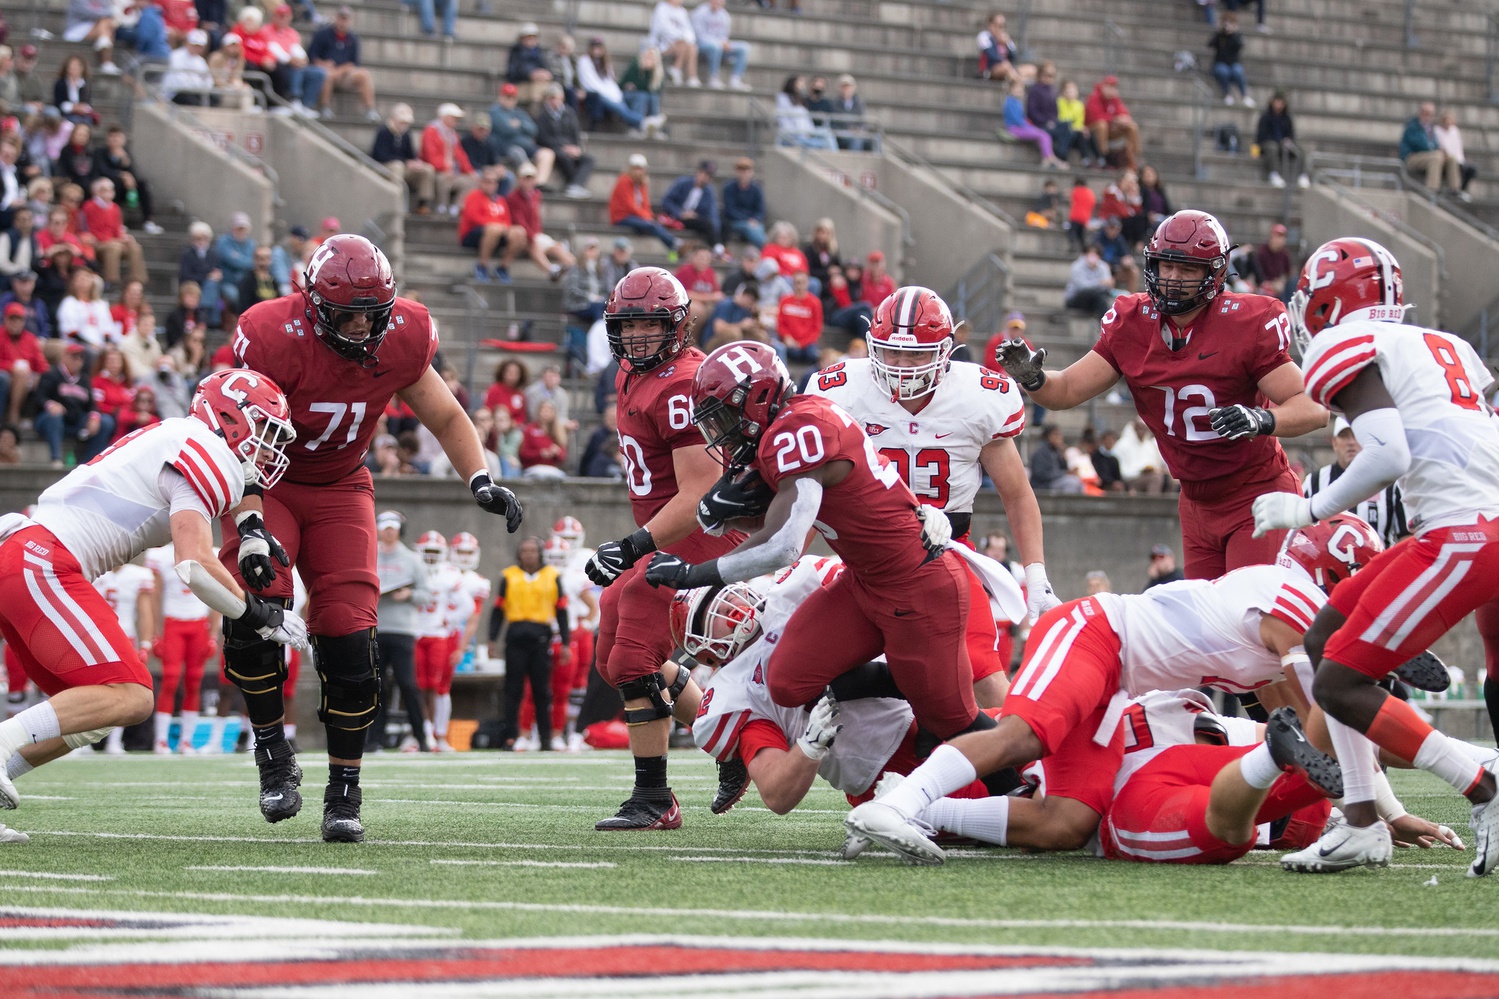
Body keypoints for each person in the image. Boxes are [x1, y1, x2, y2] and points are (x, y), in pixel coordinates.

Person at [844, 515, 1381, 864]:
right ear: (1335, 578)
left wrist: (1385, 813)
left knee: (1068, 825)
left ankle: (912, 806)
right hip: (1098, 633)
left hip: (1118, 688)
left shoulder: (1286, 625)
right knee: (1022, 736)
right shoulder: (1293, 609)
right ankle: (905, 802)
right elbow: (1330, 717)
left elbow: (1314, 729)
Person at [221, 234, 522, 842]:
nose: (361, 326)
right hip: (266, 480)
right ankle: (272, 749)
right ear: (311, 305)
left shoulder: (405, 333)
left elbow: (443, 414)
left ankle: (344, 788)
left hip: (340, 488)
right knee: (254, 612)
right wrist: (250, 520)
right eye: (347, 313)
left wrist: (481, 478)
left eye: (371, 312)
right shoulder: (271, 333)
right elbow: (236, 433)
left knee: (352, 639)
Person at [1253, 241, 1499, 871]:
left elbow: (1389, 455)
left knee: (1338, 679)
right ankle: (1362, 822)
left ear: (1334, 298)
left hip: (1464, 532)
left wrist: (1305, 509)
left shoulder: (1344, 344)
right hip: (1469, 522)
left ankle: (1482, 781)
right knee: (1322, 638)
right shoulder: (1446, 346)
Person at [646, 340, 998, 768]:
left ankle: (1022, 783)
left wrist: (693, 573)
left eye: (725, 416)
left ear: (756, 398)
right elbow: (800, 514)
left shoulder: (798, 430)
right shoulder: (788, 426)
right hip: (864, 581)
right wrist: (734, 519)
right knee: (789, 681)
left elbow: (785, 544)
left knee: (950, 720)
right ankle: (913, 684)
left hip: (916, 584)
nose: (722, 431)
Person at [0, 370, 306, 830]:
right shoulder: (206, 452)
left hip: (28, 554)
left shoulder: (181, 436)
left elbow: (227, 503)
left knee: (91, 713)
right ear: (230, 419)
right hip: (45, 560)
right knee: (131, 695)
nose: (267, 448)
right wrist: (261, 615)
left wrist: (251, 532)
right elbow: (194, 566)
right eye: (262, 429)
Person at [996, 209, 1327, 578]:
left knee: (1250, 619)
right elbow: (1068, 389)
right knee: (1207, 630)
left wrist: (1262, 419)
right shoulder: (1132, 322)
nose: (1172, 278)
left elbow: (1313, 407)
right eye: (1165, 266)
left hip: (1257, 491)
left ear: (1214, 273)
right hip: (1194, 502)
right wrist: (1035, 378)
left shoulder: (1246, 322)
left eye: (1186, 269)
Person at [807, 286, 1050, 702]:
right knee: (798, 665)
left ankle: (1019, 766)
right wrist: (781, 567)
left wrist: (1037, 573)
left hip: (948, 554)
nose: (902, 366)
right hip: (865, 557)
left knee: (983, 677)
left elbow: (1017, 494)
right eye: (891, 353)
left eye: (917, 354)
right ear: (872, 347)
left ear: (945, 350)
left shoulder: (978, 397)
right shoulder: (840, 392)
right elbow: (810, 494)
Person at [576, 267, 741, 828]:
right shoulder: (627, 372)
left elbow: (700, 492)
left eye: (651, 324)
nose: (638, 336)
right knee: (610, 657)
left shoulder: (682, 385)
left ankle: (654, 797)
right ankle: (733, 745)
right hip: (665, 533)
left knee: (632, 660)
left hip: (702, 532)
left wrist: (632, 544)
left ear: (677, 326)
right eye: (629, 325)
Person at [488, 536, 568, 750]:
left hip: (541, 635)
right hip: (515, 634)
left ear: (540, 553)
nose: (529, 554)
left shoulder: (552, 576)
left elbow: (561, 611)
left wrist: (566, 643)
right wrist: (492, 639)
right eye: (525, 550)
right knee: (512, 689)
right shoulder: (509, 576)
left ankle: (545, 738)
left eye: (533, 550)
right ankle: (511, 736)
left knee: (542, 689)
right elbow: (498, 610)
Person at [144, 542, 218, 753]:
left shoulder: (210, 553)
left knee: (194, 681)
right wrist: (156, 632)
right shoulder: (160, 554)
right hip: (172, 622)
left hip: (198, 623)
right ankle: (161, 740)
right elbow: (154, 596)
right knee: (170, 679)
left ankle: (187, 740)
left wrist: (213, 633)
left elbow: (218, 593)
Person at [1302, 417, 1408, 548]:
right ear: (1335, 443)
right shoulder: (1313, 481)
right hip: (1324, 566)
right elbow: (1300, 532)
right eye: (1344, 436)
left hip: (1378, 565)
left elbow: (1406, 536)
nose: (1351, 442)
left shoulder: (1388, 482)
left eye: (1356, 435)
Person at [409, 531, 461, 751]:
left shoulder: (449, 574)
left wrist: (447, 622)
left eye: (434, 551)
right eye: (427, 551)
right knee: (416, 686)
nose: (430, 556)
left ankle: (433, 733)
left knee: (434, 686)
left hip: (438, 634)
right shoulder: (411, 568)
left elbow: (465, 605)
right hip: (415, 633)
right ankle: (421, 732)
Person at [307, 5, 379, 122]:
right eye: (341, 18)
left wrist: (339, 71)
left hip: (344, 74)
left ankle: (370, 109)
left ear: (350, 21)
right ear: (336, 18)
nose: (342, 22)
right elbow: (312, 56)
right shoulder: (322, 34)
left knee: (364, 74)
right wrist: (323, 64)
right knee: (326, 75)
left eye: (346, 19)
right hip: (326, 71)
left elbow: (354, 63)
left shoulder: (353, 38)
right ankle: (324, 106)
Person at [506, 162, 574, 282]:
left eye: (530, 178)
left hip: (535, 234)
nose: (528, 182)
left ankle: (575, 269)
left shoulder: (535, 195)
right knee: (534, 245)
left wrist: (537, 236)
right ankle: (551, 270)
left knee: (558, 248)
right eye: (525, 178)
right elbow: (519, 221)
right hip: (523, 236)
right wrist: (534, 237)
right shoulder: (513, 198)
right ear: (520, 180)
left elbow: (534, 220)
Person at [458, 166, 527, 285]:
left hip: (497, 231)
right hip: (473, 233)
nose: (491, 184)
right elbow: (472, 217)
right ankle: (482, 265)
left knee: (519, 232)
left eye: (494, 182)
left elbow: (507, 220)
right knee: (493, 229)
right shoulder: (473, 196)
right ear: (481, 182)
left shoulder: (500, 200)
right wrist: (496, 226)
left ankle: (503, 267)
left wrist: (503, 228)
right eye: (487, 181)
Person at [609, 153, 680, 253]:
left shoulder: (641, 183)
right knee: (652, 226)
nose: (638, 172)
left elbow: (645, 204)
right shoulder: (624, 181)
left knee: (656, 226)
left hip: (636, 217)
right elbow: (630, 206)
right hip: (622, 217)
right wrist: (648, 218)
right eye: (635, 169)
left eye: (640, 169)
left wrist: (650, 216)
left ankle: (673, 251)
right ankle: (675, 244)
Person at [371, 104, 435, 214]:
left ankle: (423, 204)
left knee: (427, 169)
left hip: (402, 166)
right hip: (386, 166)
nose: (405, 125)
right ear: (394, 119)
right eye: (402, 122)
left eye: (406, 123)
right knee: (397, 166)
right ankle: (398, 201)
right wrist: (405, 162)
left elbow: (410, 155)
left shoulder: (406, 134)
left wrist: (415, 163)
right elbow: (380, 155)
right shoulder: (383, 132)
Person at [535, 83, 595, 200]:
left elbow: (575, 133)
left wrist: (576, 147)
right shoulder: (541, 116)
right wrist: (563, 147)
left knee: (588, 159)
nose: (554, 101)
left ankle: (575, 185)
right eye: (551, 98)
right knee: (564, 158)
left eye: (556, 97)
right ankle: (574, 185)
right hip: (554, 148)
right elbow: (542, 137)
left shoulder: (569, 113)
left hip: (570, 147)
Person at [487, 82, 554, 184]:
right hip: (507, 146)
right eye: (507, 97)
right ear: (501, 97)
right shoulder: (494, 112)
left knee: (547, 153)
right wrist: (522, 128)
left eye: (513, 97)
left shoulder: (519, 112)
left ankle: (539, 184)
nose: (510, 100)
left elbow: (534, 129)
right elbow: (506, 129)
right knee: (518, 153)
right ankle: (528, 182)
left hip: (527, 145)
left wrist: (519, 125)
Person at [421, 103, 477, 218]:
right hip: (437, 171)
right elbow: (431, 156)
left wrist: (469, 171)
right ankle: (441, 206)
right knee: (443, 179)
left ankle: (456, 206)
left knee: (472, 182)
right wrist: (445, 168)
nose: (456, 121)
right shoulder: (431, 131)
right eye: (454, 118)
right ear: (444, 117)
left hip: (451, 172)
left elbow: (460, 155)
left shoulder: (452, 134)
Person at [1399, 101, 1461, 196]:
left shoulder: (1431, 128)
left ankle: (1454, 189)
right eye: (1426, 113)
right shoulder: (1412, 126)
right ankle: (1432, 189)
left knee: (1451, 159)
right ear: (1421, 112)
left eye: (1431, 114)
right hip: (1412, 157)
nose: (1428, 116)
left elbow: (1435, 144)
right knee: (1436, 157)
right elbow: (1419, 144)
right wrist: (1434, 150)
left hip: (1429, 155)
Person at [661, 160, 722, 255]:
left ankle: (716, 248)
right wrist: (680, 213)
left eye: (709, 176)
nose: (705, 178)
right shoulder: (683, 183)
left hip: (694, 221)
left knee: (714, 225)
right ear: (698, 172)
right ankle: (717, 248)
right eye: (704, 174)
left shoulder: (709, 192)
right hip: (675, 218)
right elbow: (667, 201)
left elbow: (711, 213)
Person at [1003, 79, 1064, 168]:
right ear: (1010, 89)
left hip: (1022, 127)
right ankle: (1048, 159)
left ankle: (1049, 158)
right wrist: (1029, 127)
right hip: (1015, 129)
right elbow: (1017, 120)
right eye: (1016, 88)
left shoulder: (1018, 102)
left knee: (1045, 135)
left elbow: (1022, 118)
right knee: (1042, 135)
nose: (1019, 90)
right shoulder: (1009, 102)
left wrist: (1030, 126)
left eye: (1021, 88)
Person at [691, 0, 750, 91]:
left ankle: (735, 79)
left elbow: (724, 35)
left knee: (744, 47)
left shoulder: (724, 15)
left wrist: (725, 42)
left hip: (720, 45)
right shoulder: (700, 12)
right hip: (702, 46)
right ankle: (713, 77)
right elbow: (699, 35)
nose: (717, 2)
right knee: (715, 47)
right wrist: (719, 42)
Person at [1254, 91, 1308, 190]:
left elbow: (1291, 135)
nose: (1278, 104)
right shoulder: (1266, 117)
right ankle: (1274, 174)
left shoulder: (1287, 118)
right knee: (1272, 148)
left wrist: (1288, 141)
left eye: (1281, 102)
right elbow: (1260, 136)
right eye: (1276, 101)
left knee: (1300, 150)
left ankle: (1303, 176)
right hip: (1269, 144)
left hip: (1284, 144)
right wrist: (1255, 151)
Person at [1084, 75, 1139, 170]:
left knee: (1132, 126)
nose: (1111, 90)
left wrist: (1124, 119)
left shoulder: (1115, 99)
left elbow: (1123, 112)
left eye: (1114, 87)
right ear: (1103, 86)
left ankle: (1132, 157)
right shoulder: (1094, 97)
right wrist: (1114, 119)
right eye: (1109, 87)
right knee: (1102, 125)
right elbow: (1094, 117)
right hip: (1092, 130)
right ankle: (1103, 157)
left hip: (1110, 129)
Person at [649, 0, 699, 88]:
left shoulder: (682, 11)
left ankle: (691, 76)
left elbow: (689, 30)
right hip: (662, 44)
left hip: (681, 43)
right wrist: (679, 37)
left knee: (692, 47)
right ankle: (676, 69)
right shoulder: (661, 8)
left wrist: (684, 38)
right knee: (683, 43)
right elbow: (663, 29)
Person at [721, 156, 767, 249]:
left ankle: (767, 249)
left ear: (751, 172)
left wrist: (754, 219)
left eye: (747, 170)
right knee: (751, 228)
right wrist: (747, 220)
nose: (744, 174)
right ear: (736, 172)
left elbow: (761, 210)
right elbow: (730, 210)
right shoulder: (729, 187)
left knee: (757, 228)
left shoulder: (756, 189)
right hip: (734, 221)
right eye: (741, 170)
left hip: (753, 222)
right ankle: (767, 249)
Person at [1208, 12, 1252, 106]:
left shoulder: (1237, 36)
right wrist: (1218, 32)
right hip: (1220, 63)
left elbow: (1239, 46)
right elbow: (1210, 44)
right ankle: (1227, 94)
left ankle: (1244, 96)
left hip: (1233, 63)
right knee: (1223, 71)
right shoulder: (1219, 35)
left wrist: (1233, 34)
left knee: (1238, 72)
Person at [505, 22, 552, 107]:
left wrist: (545, 74)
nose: (531, 40)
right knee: (536, 89)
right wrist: (530, 74)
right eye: (528, 38)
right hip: (521, 85)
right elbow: (513, 73)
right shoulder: (516, 51)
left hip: (539, 84)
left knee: (554, 89)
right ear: (522, 38)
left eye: (533, 38)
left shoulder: (539, 52)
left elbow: (547, 67)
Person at [1063, 243, 1115, 318]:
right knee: (1096, 294)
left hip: (1094, 299)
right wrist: (1100, 283)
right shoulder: (1077, 266)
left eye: (1095, 253)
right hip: (1076, 298)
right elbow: (1082, 287)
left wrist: (1106, 284)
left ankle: (1104, 323)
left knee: (1101, 299)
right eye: (1090, 253)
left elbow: (1106, 285)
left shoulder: (1103, 267)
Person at [1434, 109, 1476, 202]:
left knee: (1471, 170)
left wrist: (1461, 160)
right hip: (1447, 158)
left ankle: (1461, 189)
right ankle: (1454, 190)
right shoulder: (1437, 131)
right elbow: (1441, 147)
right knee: (1456, 166)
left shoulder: (1454, 131)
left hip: (1457, 158)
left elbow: (1458, 148)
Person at [619, 46, 667, 126]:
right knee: (642, 95)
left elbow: (656, 90)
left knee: (653, 97)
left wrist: (649, 71)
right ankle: (637, 126)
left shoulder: (657, 73)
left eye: (651, 58)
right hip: (628, 95)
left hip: (645, 96)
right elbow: (622, 84)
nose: (648, 59)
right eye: (647, 56)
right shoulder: (635, 67)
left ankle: (654, 124)